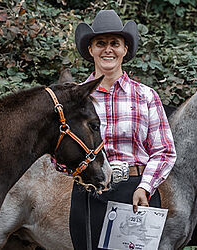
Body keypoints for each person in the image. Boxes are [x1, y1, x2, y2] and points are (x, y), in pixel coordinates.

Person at [68, 10, 176, 249]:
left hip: (136, 193)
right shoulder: (75, 98)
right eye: (101, 43)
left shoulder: (146, 96)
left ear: (125, 49)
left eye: (115, 43)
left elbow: (165, 151)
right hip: (90, 192)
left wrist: (145, 187)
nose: (108, 49)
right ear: (90, 50)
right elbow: (60, 154)